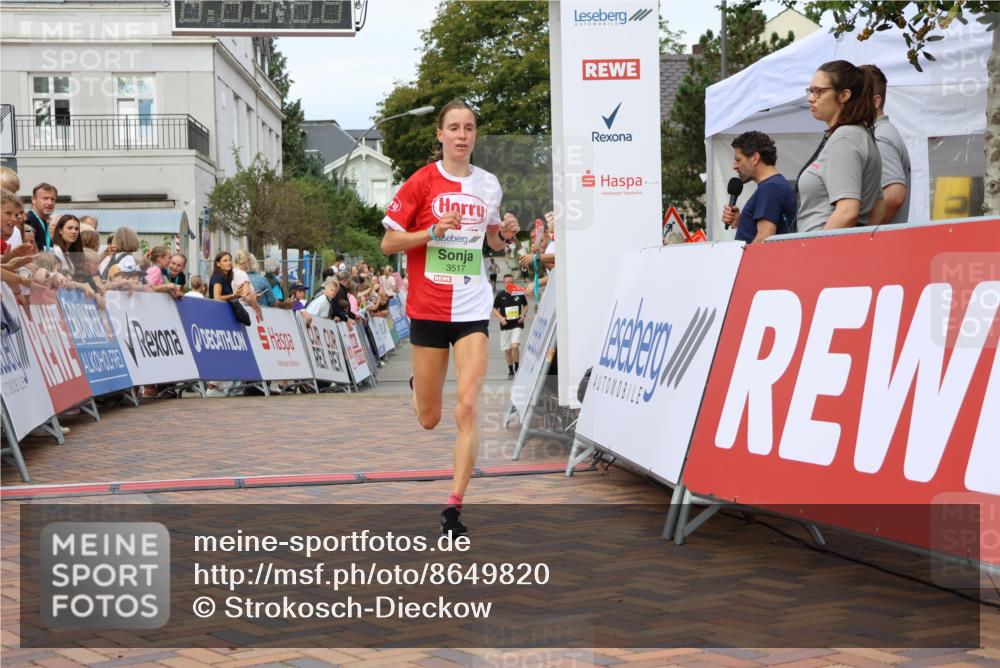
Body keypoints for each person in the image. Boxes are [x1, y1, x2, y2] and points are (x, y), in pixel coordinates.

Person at [380, 99, 521, 536]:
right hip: (428, 308)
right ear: (440, 134)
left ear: (475, 134)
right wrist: (431, 231)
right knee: (430, 418)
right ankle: (418, 387)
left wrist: (505, 234)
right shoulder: (422, 181)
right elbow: (389, 244)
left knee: (467, 408)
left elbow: (492, 242)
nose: (462, 135)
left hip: (472, 307)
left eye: (469, 128)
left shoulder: (488, 184)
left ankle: (454, 507)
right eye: (454, 128)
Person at [796, 60, 885, 233]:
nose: (810, 98)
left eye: (818, 91)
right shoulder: (859, 134)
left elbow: (847, 212)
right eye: (810, 91)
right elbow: (879, 206)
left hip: (824, 246)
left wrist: (817, 245)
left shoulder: (845, 138)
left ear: (844, 95)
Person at [721, 131, 797, 243]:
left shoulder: (771, 188)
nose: (734, 166)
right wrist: (742, 223)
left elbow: (764, 238)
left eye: (738, 160)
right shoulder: (773, 185)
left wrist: (743, 255)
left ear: (755, 158)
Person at [860, 64, 910, 225]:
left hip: (879, 239)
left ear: (875, 101)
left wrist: (863, 232)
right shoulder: (880, 133)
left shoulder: (879, 137)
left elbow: (894, 196)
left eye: (856, 97)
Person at [492, 273, 528, 378]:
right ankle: (510, 369)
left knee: (515, 345)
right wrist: (501, 318)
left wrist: (523, 314)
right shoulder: (500, 295)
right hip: (505, 326)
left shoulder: (519, 293)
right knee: (508, 350)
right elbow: (494, 309)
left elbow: (525, 305)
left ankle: (517, 366)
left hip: (517, 324)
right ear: (504, 283)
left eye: (512, 282)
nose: (510, 284)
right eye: (507, 282)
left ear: (514, 282)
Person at [26, 182, 58, 251]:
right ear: (34, 200)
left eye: (53, 199)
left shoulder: (43, 222)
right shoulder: (28, 220)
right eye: (45, 198)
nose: (50, 203)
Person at [52, 214, 85, 279]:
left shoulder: (72, 251)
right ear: (60, 231)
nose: (74, 232)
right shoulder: (57, 250)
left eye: (76, 229)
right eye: (70, 228)